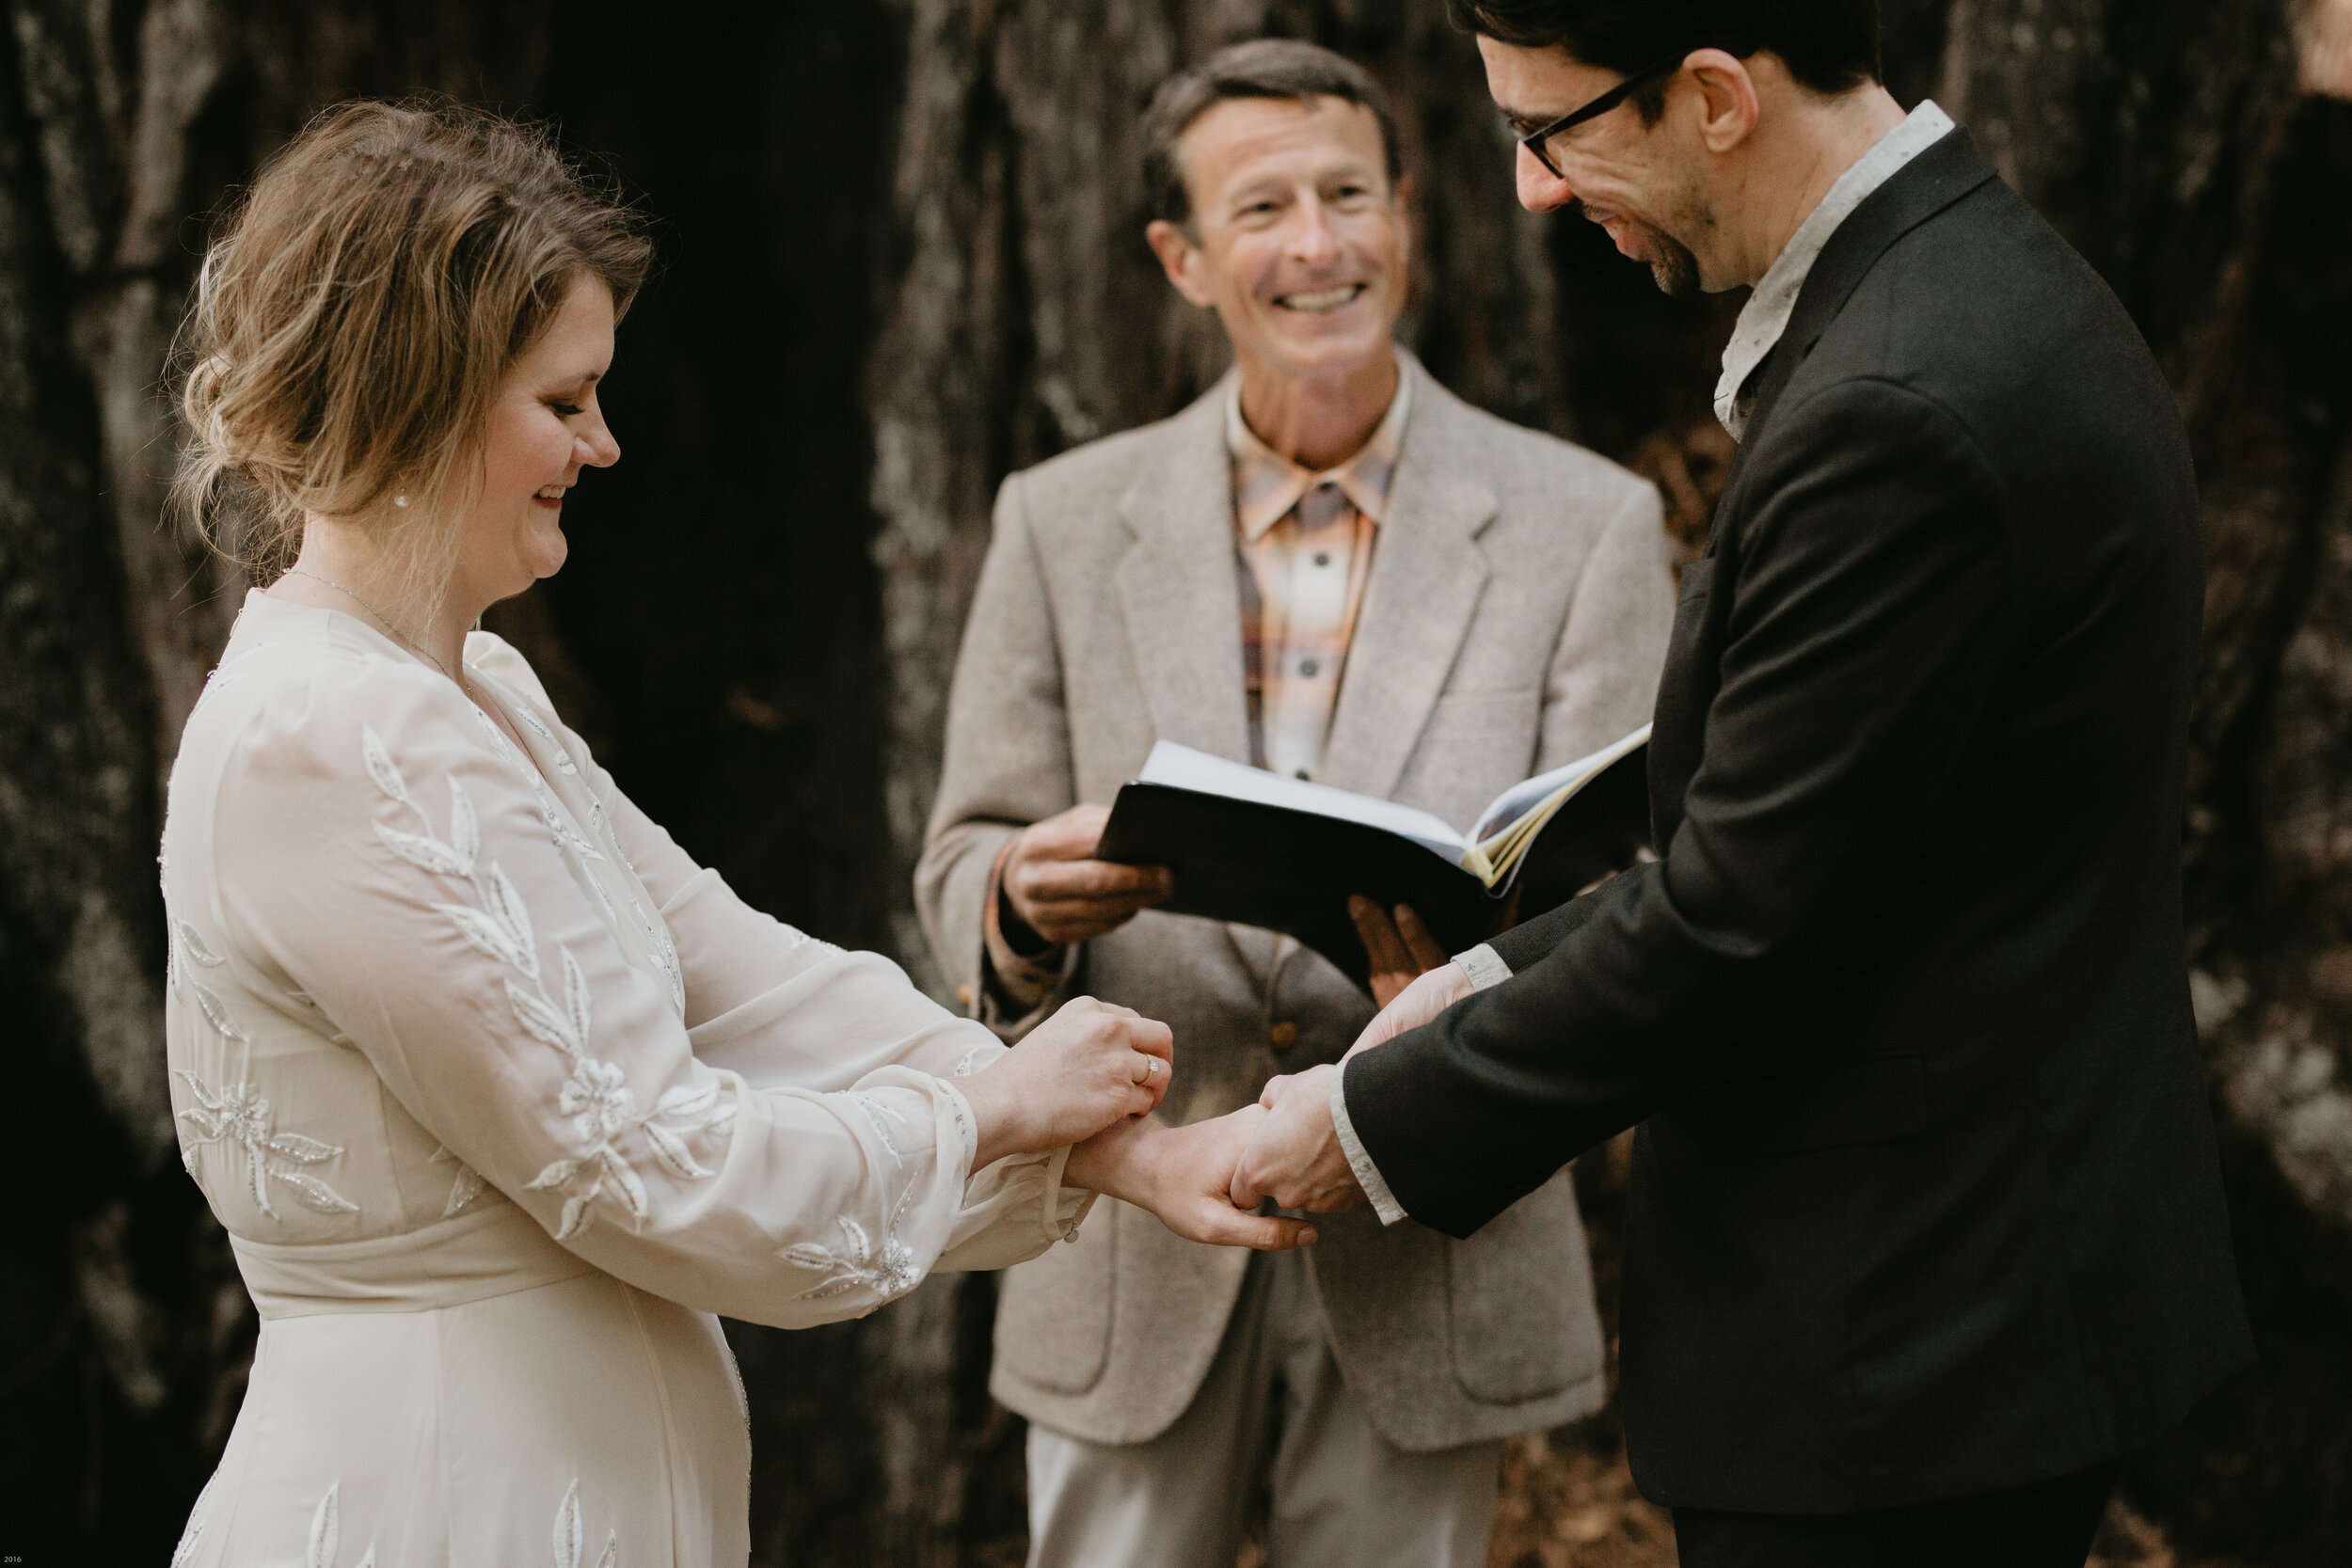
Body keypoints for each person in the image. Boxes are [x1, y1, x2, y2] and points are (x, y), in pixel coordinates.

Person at [159, 100, 1308, 1568]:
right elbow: (649, 1165)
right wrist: (995, 1112)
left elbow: (744, 982)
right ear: (421, 397)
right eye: (563, 403)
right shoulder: (319, 740)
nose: (607, 443)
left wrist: (1115, 1153)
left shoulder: (475, 690)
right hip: (447, 1500)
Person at [1232, 4, 2256, 1564]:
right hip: (1977, 1298)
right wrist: (1481, 981)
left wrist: (1368, 1125)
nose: (1535, 194)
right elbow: (1823, 837)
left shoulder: (1897, 403)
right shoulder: (1966, 282)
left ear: (1714, 94)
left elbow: (1737, 925)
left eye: (1549, 132)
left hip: (1908, 1343)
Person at [915, 39, 1674, 1568]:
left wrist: (1478, 994)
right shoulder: (1056, 521)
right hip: (1129, 1238)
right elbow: (958, 859)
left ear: (1407, 215)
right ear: (1182, 259)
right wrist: (1014, 901)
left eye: (1348, 194)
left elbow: (1637, 888)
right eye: (1263, 208)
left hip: (1431, 1231)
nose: (1318, 244)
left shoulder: (1589, 523)